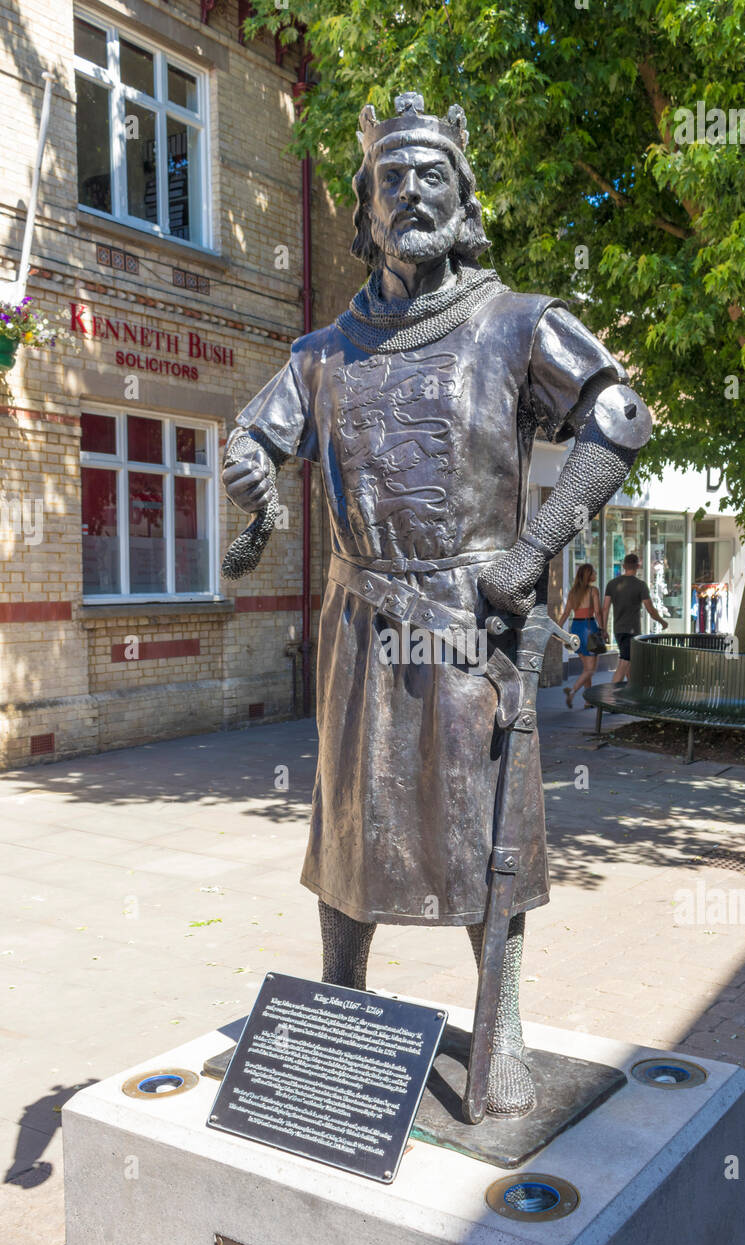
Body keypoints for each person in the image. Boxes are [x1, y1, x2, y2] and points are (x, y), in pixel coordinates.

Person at [221, 91, 652, 1117]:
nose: (408, 194)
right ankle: (340, 1000)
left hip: (471, 618)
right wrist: (251, 477)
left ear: (464, 196)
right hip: (361, 624)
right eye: (388, 179)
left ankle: (497, 1023)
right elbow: (254, 435)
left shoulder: (516, 323)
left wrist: (537, 547)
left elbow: (617, 416)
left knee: (482, 829)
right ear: (364, 208)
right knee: (347, 820)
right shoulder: (321, 353)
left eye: (431, 176)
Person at [601, 553, 667, 683]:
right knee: (623, 665)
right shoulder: (640, 585)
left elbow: (605, 608)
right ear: (637, 566)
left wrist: (604, 629)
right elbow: (650, 609)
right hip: (631, 632)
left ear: (624, 566)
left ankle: (632, 697)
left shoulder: (612, 584)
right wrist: (662, 621)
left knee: (629, 667)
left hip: (618, 630)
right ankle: (609, 698)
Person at [559, 563, 603, 708]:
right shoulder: (593, 591)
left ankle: (588, 701)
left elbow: (565, 613)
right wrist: (603, 629)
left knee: (586, 668)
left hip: (576, 628)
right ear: (588, 576)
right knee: (591, 669)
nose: (595, 575)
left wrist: (557, 629)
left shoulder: (573, 592)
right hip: (589, 628)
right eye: (593, 573)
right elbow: (597, 612)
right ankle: (572, 691)